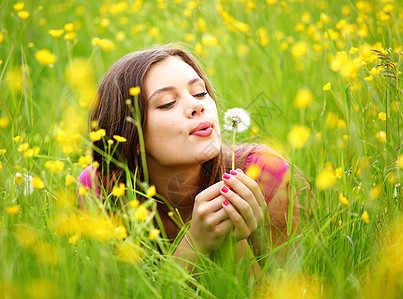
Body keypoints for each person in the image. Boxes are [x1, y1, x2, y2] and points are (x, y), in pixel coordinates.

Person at [78, 44, 310, 270]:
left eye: (200, 92)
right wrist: (194, 245)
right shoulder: (101, 190)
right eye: (167, 103)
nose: (197, 105)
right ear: (133, 136)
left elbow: (291, 288)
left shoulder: (263, 172)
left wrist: (240, 240)